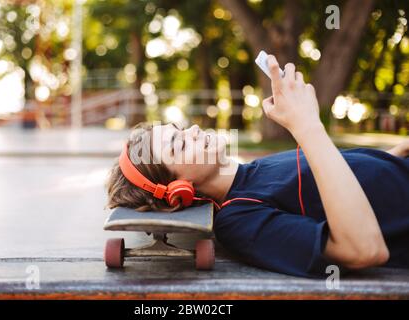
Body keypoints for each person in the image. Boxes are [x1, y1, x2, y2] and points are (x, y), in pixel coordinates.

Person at [106, 55, 409, 278]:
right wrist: (307, 126)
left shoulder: (254, 171)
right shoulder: (240, 219)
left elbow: (353, 182)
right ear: (178, 193)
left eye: (181, 129)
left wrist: (395, 154)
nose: (194, 131)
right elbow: (364, 249)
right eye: (180, 144)